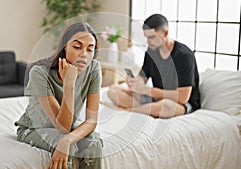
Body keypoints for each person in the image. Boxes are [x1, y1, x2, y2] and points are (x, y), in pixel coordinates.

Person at [14, 22, 103, 169]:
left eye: (90, 49)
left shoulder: (93, 69)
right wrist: (69, 84)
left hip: (67, 127)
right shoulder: (39, 73)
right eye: (77, 47)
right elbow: (62, 127)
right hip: (34, 129)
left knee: (93, 143)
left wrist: (67, 140)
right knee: (70, 150)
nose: (84, 55)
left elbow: (91, 121)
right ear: (64, 47)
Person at [107, 14, 200, 118]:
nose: (148, 42)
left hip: (179, 104)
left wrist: (147, 90)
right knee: (113, 90)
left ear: (165, 33)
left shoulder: (184, 56)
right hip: (156, 98)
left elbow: (183, 97)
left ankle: (126, 111)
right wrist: (135, 83)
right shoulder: (152, 51)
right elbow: (142, 78)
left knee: (164, 106)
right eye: (146, 37)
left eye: (151, 37)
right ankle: (145, 110)